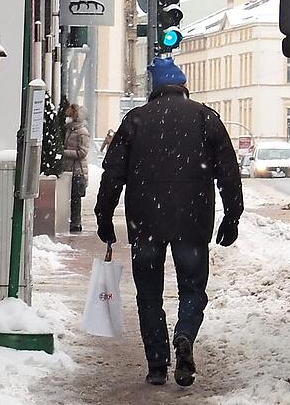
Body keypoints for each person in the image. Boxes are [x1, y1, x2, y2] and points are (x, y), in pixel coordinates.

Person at [95, 57, 243, 387]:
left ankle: (157, 366)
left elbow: (112, 175)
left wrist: (104, 217)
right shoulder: (206, 119)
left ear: (155, 89)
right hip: (193, 221)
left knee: (149, 295)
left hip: (145, 223)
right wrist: (232, 216)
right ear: (182, 86)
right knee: (193, 289)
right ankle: (185, 333)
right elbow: (229, 174)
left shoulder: (134, 121)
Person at [61, 103, 91, 233]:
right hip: (69, 170)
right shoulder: (69, 130)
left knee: (75, 198)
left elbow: (82, 152)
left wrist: (64, 152)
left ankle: (75, 224)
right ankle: (72, 223)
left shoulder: (82, 132)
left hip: (77, 171)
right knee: (70, 198)